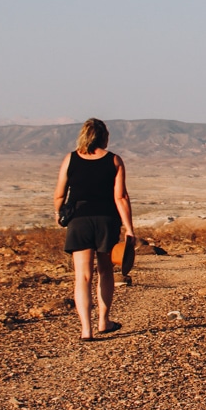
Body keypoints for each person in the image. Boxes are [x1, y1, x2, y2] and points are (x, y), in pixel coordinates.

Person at [53, 118, 136, 341]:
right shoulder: (114, 160)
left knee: (83, 276)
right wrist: (129, 228)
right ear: (103, 136)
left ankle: (86, 329)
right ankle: (103, 321)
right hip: (106, 221)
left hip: (79, 221)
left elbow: (60, 194)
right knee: (105, 271)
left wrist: (59, 213)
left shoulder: (70, 159)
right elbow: (121, 197)